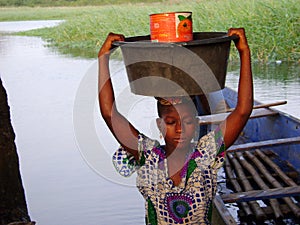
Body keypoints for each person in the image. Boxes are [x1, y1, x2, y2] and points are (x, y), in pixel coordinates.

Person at [98, 28, 253, 224]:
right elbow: (108, 113)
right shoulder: (147, 156)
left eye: (187, 122)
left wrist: (243, 51)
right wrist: (103, 58)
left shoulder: (206, 154)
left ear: (196, 125)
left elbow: (243, 111)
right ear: (160, 126)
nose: (180, 129)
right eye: (171, 123)